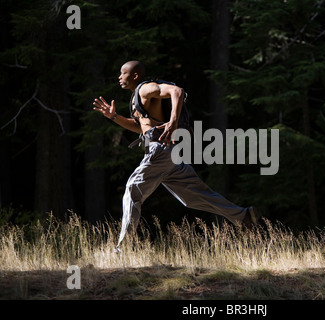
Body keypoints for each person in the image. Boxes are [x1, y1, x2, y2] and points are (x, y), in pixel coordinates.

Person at [93, 60, 259, 251]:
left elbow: (177, 91)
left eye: (123, 73)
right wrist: (114, 117)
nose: (119, 77)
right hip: (170, 153)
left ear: (135, 76)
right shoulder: (137, 98)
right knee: (194, 196)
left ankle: (121, 249)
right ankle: (243, 216)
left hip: (160, 150)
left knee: (132, 189)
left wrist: (172, 122)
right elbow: (140, 126)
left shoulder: (144, 89)